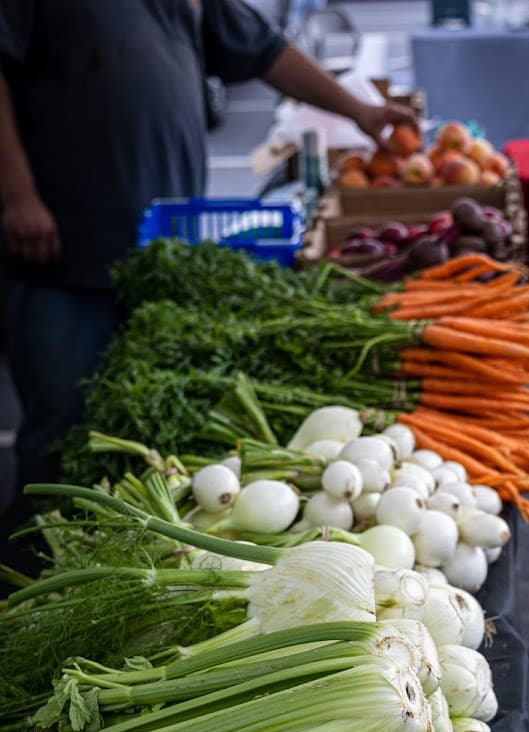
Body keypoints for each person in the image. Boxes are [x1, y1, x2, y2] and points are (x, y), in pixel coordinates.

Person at [0, 0, 416, 566]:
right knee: (60, 430)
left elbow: (263, 49)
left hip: (166, 250)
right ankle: (21, 594)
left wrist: (360, 112)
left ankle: (106, 582)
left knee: (141, 441)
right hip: (63, 250)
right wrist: (16, 194)